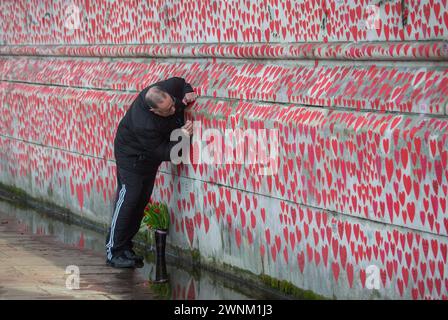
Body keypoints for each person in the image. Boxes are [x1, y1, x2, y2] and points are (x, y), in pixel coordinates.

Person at [105, 77, 197, 268]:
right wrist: (183, 136)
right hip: (131, 158)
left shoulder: (167, 89)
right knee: (129, 199)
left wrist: (187, 90)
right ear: (153, 111)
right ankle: (113, 251)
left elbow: (179, 82)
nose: (174, 110)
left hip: (149, 157)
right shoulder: (144, 124)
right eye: (168, 111)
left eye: (173, 104)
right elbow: (167, 153)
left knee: (141, 201)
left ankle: (126, 247)